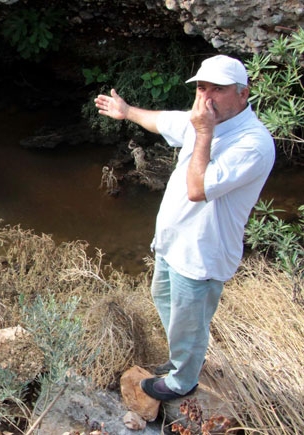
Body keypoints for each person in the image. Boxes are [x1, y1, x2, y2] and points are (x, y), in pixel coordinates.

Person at [95, 55, 275, 401]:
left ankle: (183, 380)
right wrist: (127, 111)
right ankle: (183, 358)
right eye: (202, 87)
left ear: (243, 94)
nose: (206, 98)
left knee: (190, 321)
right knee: (164, 299)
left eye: (217, 89)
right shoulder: (202, 122)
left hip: (202, 253)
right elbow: (163, 121)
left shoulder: (252, 144)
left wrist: (203, 131)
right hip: (174, 242)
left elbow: (198, 189)